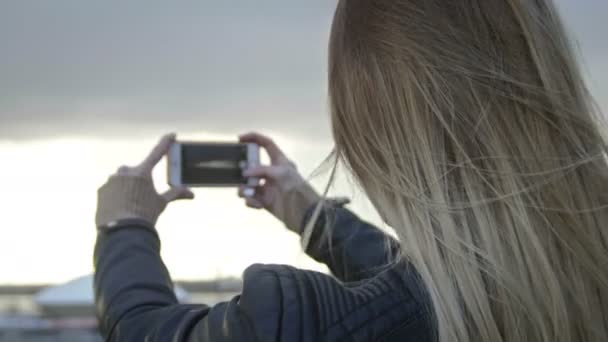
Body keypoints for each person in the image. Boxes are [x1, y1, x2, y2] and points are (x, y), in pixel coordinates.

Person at [93, 0, 608, 341]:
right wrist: (312, 217)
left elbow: (146, 331)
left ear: (370, 137)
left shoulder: (308, 324)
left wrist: (124, 228)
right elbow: (436, 284)